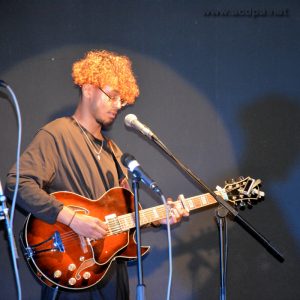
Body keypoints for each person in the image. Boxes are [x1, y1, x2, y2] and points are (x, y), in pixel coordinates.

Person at [5, 50, 188, 300]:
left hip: (112, 277)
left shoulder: (114, 152)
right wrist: (71, 219)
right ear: (88, 87)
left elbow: (125, 214)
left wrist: (160, 218)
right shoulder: (57, 134)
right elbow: (18, 183)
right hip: (71, 272)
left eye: (121, 100)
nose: (118, 106)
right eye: (112, 96)